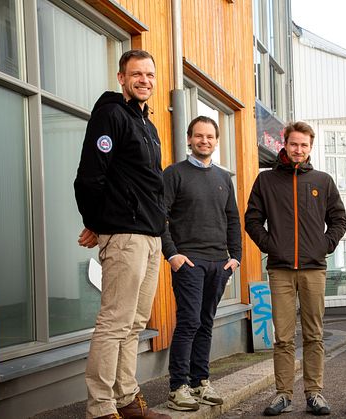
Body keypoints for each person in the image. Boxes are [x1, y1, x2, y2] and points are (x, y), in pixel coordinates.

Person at [74, 49, 170, 419]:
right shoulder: (111, 114)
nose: (144, 80)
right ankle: (100, 408)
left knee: (134, 324)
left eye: (149, 74)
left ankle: (127, 399)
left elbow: (150, 184)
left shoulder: (148, 124)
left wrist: (160, 228)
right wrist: (97, 222)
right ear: (121, 78)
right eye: (136, 74)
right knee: (114, 323)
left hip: (150, 237)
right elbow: (89, 176)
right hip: (125, 235)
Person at [245, 121, 346, 416]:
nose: (298, 149)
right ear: (284, 144)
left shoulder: (322, 181)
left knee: (314, 334)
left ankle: (314, 393)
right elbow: (252, 219)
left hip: (314, 268)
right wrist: (270, 245)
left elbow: (339, 220)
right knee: (283, 337)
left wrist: (324, 245)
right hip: (280, 269)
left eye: (304, 145)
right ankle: (283, 394)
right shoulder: (266, 181)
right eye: (293, 144)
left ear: (310, 148)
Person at [162, 116, 242, 411]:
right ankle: (178, 387)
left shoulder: (223, 178)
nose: (204, 141)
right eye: (199, 136)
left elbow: (232, 218)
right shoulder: (174, 174)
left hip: (219, 263)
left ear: (216, 141)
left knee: (206, 322)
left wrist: (235, 257)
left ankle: (199, 382)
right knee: (189, 321)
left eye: (209, 137)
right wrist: (172, 254)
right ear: (189, 139)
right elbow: (161, 217)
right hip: (189, 262)